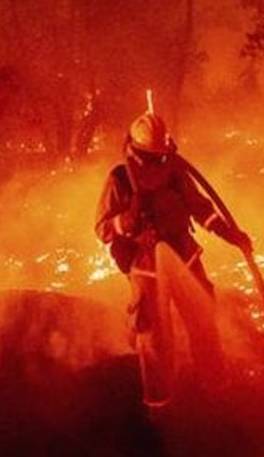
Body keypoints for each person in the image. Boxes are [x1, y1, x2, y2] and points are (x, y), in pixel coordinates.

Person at [94, 106, 252, 410]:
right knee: (152, 337)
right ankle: (159, 403)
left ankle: (217, 387)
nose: (159, 161)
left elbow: (200, 208)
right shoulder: (120, 179)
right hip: (146, 267)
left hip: (184, 259)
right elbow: (102, 229)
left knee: (203, 320)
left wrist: (229, 233)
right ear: (137, 151)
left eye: (162, 155)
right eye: (154, 157)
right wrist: (124, 221)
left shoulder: (175, 169)